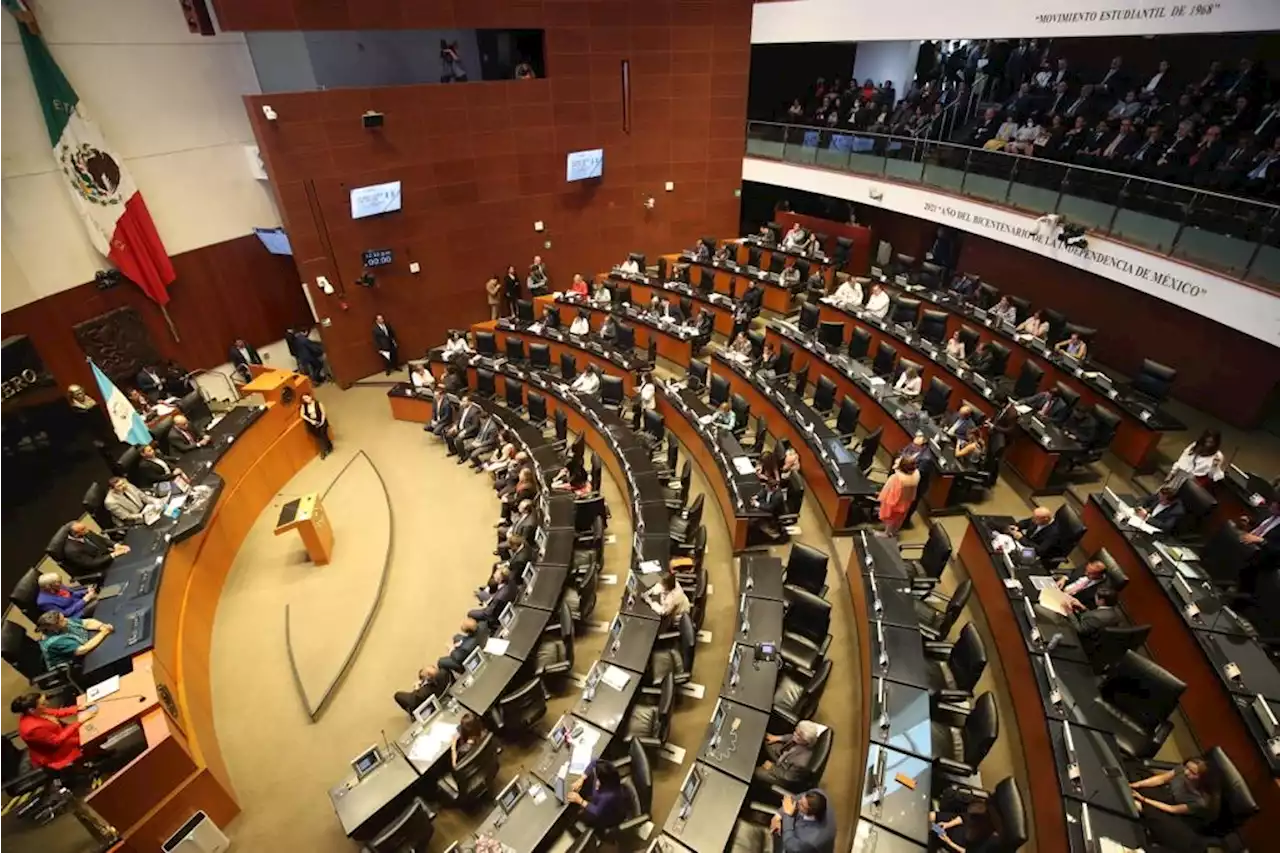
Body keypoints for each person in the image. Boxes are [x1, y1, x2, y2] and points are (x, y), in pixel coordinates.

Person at [1129, 757, 1221, 850]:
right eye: (1187, 767)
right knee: (1134, 767)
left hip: (1180, 816)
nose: (1186, 772)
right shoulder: (1183, 769)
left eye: (1193, 773)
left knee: (1158, 816)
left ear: (1202, 779)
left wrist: (1143, 799)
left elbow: (1172, 809)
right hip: (1167, 793)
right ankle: (1143, 805)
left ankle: (1143, 808)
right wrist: (1137, 784)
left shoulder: (1201, 801)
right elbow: (1162, 779)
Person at [12, 691, 95, 772]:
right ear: (31, 710)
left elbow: (57, 712)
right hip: (56, 751)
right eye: (43, 703)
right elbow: (56, 741)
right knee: (89, 737)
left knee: (87, 731)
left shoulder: (36, 710)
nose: (47, 704)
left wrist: (78, 708)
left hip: (59, 734)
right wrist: (79, 722)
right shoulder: (32, 729)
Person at [37, 611, 113, 670]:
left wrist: (101, 626)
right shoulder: (54, 642)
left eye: (64, 617)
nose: (66, 620)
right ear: (53, 628)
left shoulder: (63, 622)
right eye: (62, 620)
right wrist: (103, 633)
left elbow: (87, 622)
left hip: (87, 647)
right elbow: (83, 650)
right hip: (75, 665)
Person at [755, 721, 822, 788]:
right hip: (783, 759)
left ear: (806, 741)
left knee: (758, 772)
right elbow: (791, 736)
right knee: (766, 740)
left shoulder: (802, 762)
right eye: (796, 731)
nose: (794, 734)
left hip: (784, 777)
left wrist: (772, 767)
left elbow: (788, 777)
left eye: (798, 735)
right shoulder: (799, 739)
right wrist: (777, 738)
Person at [770, 790, 835, 853]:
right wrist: (778, 815)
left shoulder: (812, 840)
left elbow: (790, 845)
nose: (798, 802)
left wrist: (788, 815)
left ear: (811, 813)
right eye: (801, 799)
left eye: (802, 805)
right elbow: (796, 799)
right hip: (789, 833)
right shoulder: (818, 794)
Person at [569, 760, 628, 829]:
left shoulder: (606, 797)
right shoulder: (608, 768)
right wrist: (581, 779)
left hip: (603, 815)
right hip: (598, 800)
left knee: (573, 812)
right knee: (588, 778)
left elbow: (597, 811)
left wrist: (580, 801)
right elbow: (594, 762)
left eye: (599, 781)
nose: (596, 782)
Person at [931, 800, 1002, 853]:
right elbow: (964, 817)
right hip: (956, 824)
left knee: (931, 833)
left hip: (955, 842)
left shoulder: (992, 842)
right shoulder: (983, 815)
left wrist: (949, 842)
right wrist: (948, 824)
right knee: (931, 816)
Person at [61, 521, 128, 577]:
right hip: (100, 568)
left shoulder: (85, 532)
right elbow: (91, 563)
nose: (87, 530)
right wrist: (114, 554)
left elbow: (103, 540)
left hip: (108, 556)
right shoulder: (72, 550)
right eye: (83, 530)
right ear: (76, 535)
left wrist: (116, 545)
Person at [877, 454, 919, 537]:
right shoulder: (916, 475)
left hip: (895, 502)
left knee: (891, 518)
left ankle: (887, 533)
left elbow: (889, 491)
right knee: (899, 518)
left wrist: (881, 497)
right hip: (906, 500)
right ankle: (894, 532)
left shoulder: (897, 478)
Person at [299, 392, 332, 459]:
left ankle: (328, 447)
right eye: (304, 399)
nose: (305, 400)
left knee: (323, 435)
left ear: (310, 397)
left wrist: (322, 422)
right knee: (319, 438)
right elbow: (302, 414)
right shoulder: (304, 406)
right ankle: (324, 451)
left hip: (321, 421)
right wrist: (310, 420)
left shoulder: (318, 403)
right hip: (313, 423)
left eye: (306, 398)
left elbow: (323, 413)